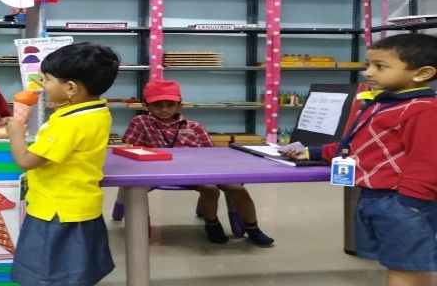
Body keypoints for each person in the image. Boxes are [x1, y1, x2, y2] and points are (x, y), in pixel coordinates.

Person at [279, 33, 437, 286]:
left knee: (406, 269)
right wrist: (313, 152)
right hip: (375, 198)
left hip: (401, 202)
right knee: (404, 264)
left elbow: (428, 162)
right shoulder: (382, 103)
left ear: (422, 73)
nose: (368, 72)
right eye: (368, 65)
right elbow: (358, 144)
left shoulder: (424, 110)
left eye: (380, 66)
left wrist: (410, 204)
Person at [6, 42, 119, 285]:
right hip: (81, 205)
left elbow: (26, 161)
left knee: (48, 275)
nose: (42, 84)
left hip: (55, 212)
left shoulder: (68, 124)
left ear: (70, 88)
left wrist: (15, 134)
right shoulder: (98, 112)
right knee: (76, 272)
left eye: (47, 79)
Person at [122, 79, 274, 246]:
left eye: (170, 105)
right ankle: (212, 224)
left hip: (198, 171)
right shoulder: (141, 123)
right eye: (157, 105)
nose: (164, 109)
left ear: (179, 106)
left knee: (237, 189)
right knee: (210, 189)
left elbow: (210, 153)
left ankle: (253, 228)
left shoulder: (194, 126)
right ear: (147, 106)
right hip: (160, 171)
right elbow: (131, 148)